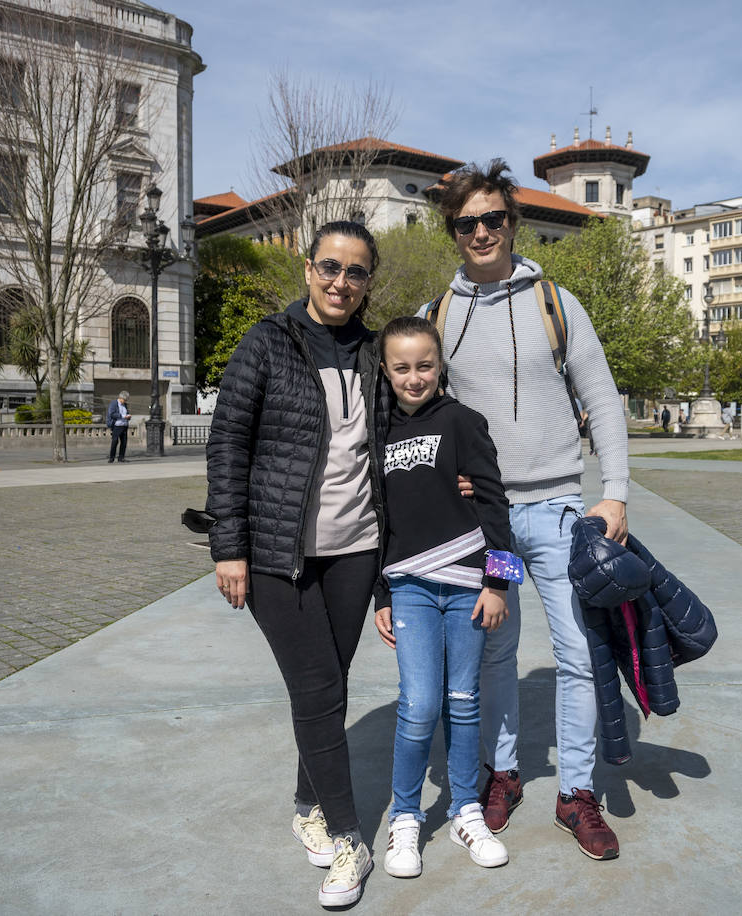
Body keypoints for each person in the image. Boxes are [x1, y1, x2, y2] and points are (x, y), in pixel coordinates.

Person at [420, 160, 629, 860]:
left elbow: (601, 397)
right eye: (466, 223)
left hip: (561, 513)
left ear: (513, 223)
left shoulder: (557, 303)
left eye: (493, 218)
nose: (482, 232)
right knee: (495, 656)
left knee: (578, 654)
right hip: (491, 524)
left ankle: (576, 792)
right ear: (453, 232)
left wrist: (617, 492)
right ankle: (502, 773)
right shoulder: (437, 316)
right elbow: (420, 416)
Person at [206, 221, 386, 909]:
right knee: (316, 688)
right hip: (277, 552)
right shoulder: (266, 343)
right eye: (330, 267)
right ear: (308, 269)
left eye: (357, 271)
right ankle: (348, 836)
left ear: (369, 281)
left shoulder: (373, 352)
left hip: (357, 549)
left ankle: (306, 803)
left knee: (328, 685)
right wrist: (230, 545)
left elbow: (403, 437)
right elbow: (227, 445)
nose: (341, 282)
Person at [371, 316, 512, 878]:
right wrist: (381, 591)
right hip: (408, 587)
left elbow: (496, 504)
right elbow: (376, 519)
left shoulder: (463, 422)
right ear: (385, 369)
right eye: (401, 367)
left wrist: (498, 582)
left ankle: (465, 809)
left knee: (463, 701)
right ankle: (405, 818)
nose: (413, 377)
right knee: (419, 704)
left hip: (467, 586)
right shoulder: (377, 432)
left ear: (440, 366)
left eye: (424, 365)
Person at [106, 390, 131, 463]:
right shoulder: (114, 403)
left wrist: (128, 417)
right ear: (121, 398)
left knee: (124, 442)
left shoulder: (125, 405)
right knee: (115, 442)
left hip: (124, 425)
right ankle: (111, 457)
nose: (125, 401)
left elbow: (127, 412)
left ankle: (121, 457)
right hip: (117, 425)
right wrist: (123, 416)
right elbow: (112, 414)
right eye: (125, 400)